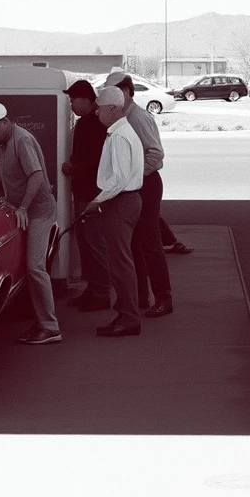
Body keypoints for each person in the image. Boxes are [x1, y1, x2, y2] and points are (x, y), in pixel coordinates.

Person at [0, 101, 61, 345]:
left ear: (5, 122)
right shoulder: (5, 142)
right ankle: (42, 319)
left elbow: (36, 175)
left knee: (35, 267)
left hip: (39, 211)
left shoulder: (21, 141)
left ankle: (50, 327)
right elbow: (4, 178)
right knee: (28, 267)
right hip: (25, 210)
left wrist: (23, 207)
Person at [104, 71, 173, 317]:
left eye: (111, 93)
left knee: (150, 242)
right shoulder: (122, 116)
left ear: (124, 91)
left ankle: (163, 298)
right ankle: (140, 296)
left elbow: (155, 153)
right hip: (134, 184)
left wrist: (133, 175)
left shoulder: (138, 117)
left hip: (146, 184)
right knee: (133, 243)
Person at [82, 87, 145, 336]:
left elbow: (118, 179)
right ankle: (125, 312)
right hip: (125, 200)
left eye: (99, 107)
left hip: (120, 202)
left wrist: (96, 201)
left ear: (112, 109)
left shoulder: (119, 136)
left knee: (120, 262)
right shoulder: (122, 131)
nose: (96, 112)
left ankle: (129, 317)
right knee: (121, 260)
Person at [60, 79, 112, 312]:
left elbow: (98, 162)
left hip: (92, 195)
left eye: (73, 100)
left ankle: (101, 292)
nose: (71, 105)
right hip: (82, 192)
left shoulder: (97, 124)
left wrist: (75, 167)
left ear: (86, 99)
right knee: (85, 244)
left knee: (95, 243)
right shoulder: (84, 123)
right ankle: (91, 289)